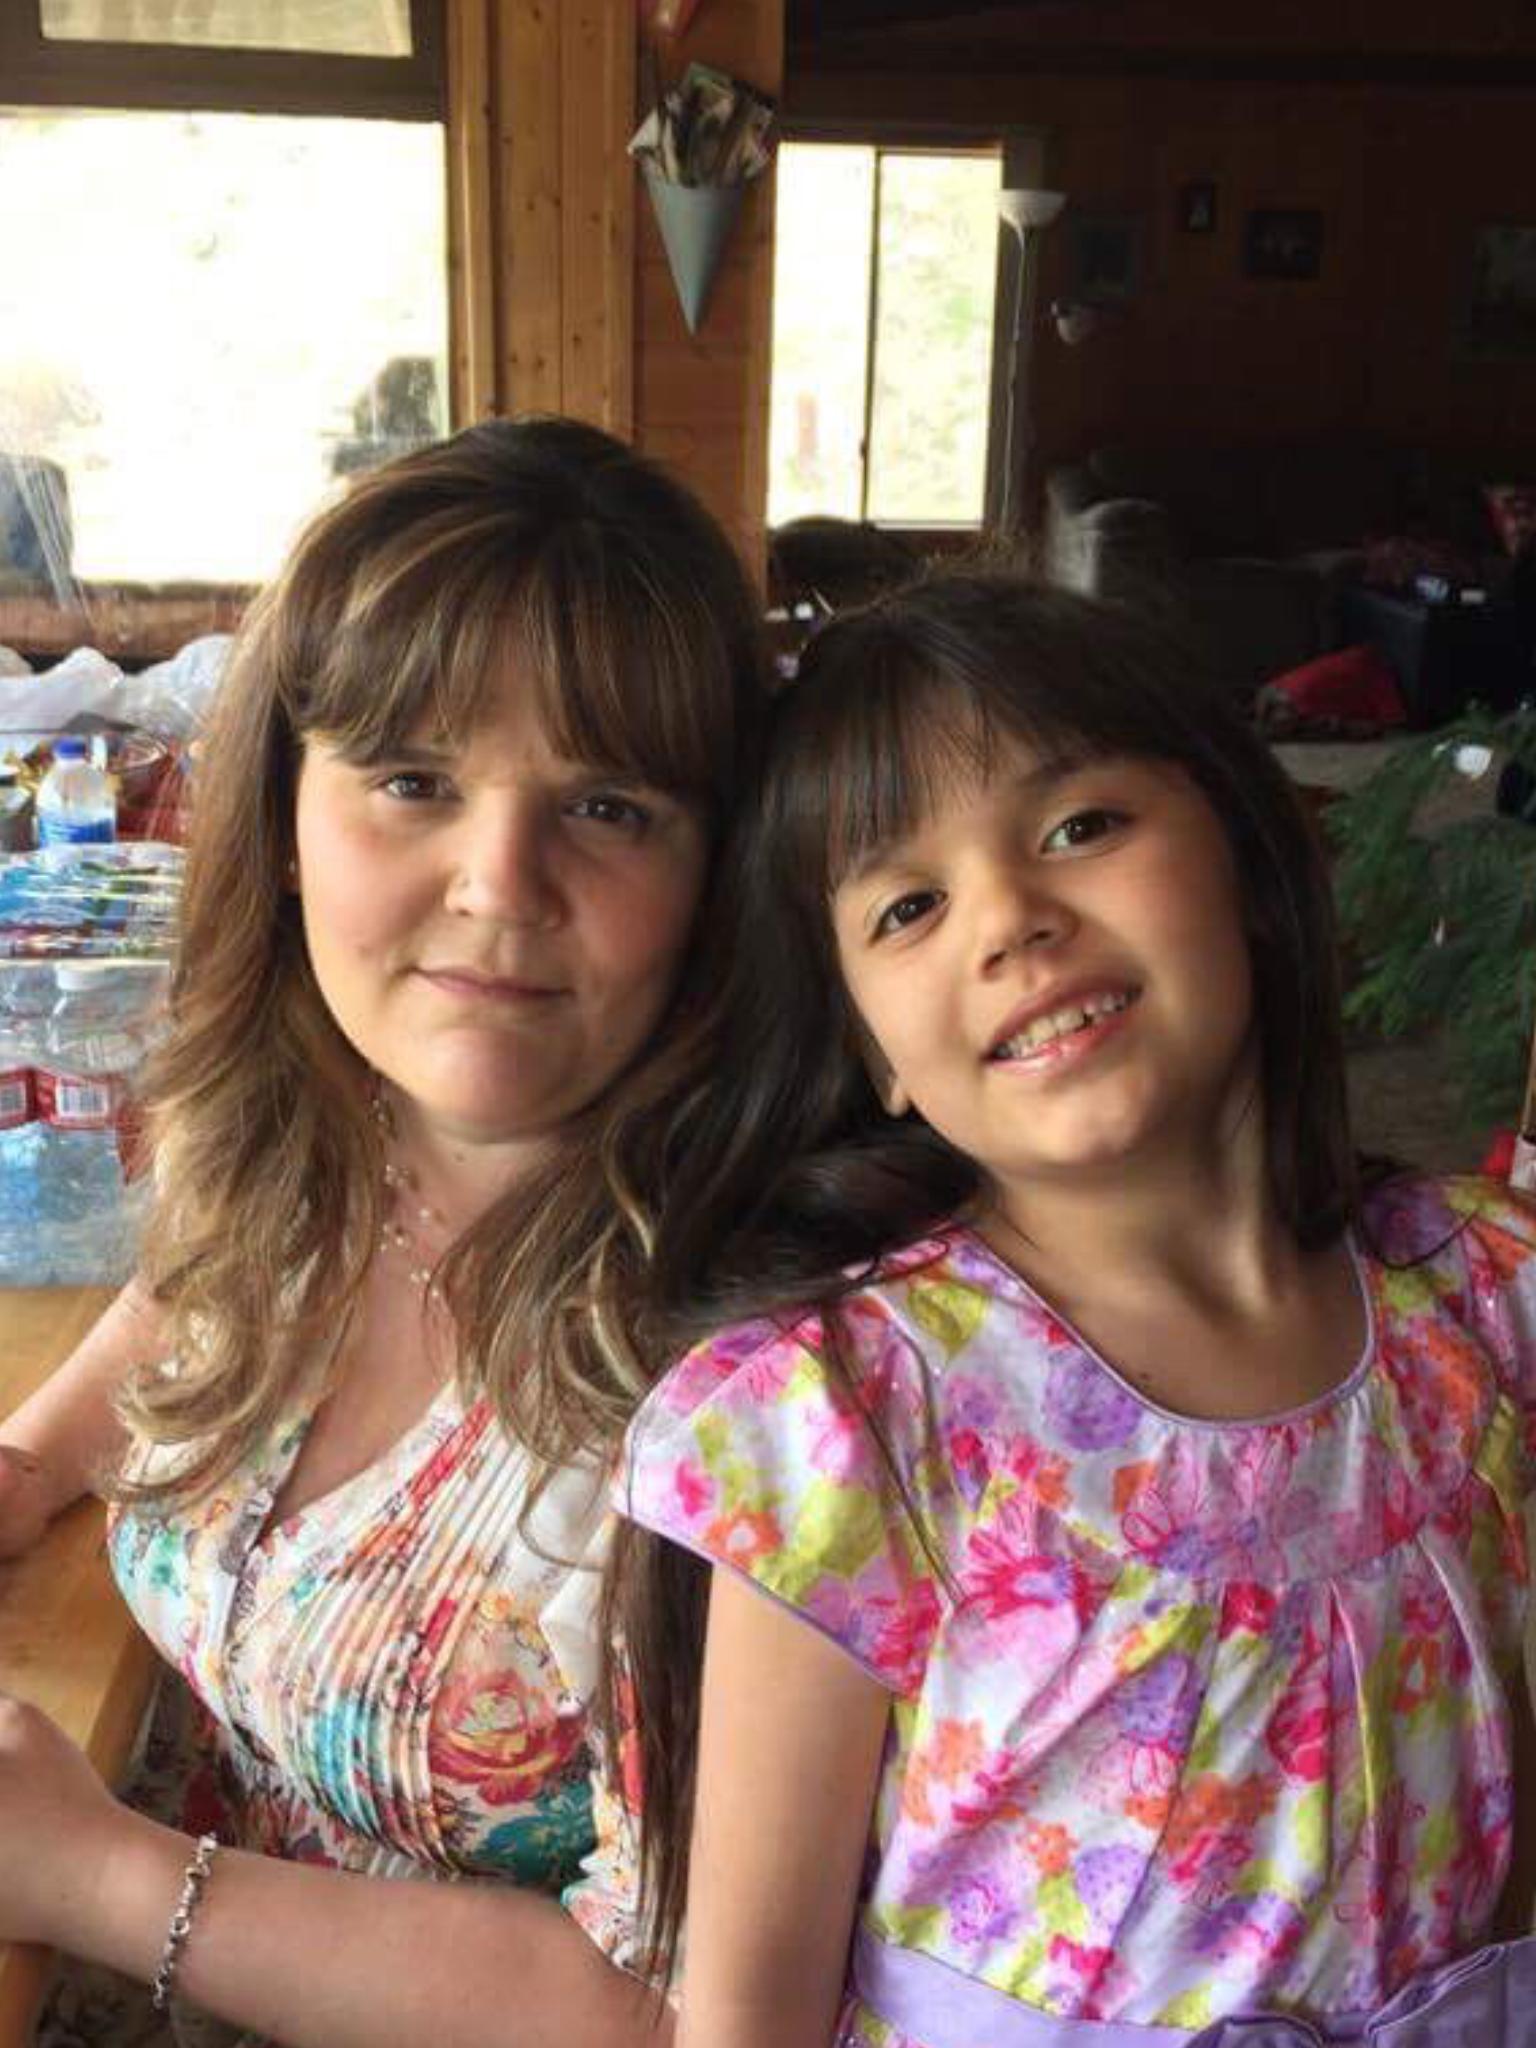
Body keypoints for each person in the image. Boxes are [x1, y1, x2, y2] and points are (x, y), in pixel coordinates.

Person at [607, 569, 1536, 2046]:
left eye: (1082, 827)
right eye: (910, 906)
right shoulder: (850, 1413)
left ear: (1245, 860)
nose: (1011, 922)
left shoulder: (1489, 1306)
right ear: (874, 1053)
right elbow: (745, 2014)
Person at [0, 414, 766, 2048]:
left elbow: (673, 2011)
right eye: (415, 782)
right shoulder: (314, 1133)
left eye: (609, 806)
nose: (500, 883)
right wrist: (31, 1462)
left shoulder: (753, 1377)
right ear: (282, 814)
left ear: (723, 872)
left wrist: (96, 1879)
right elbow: (180, 1305)